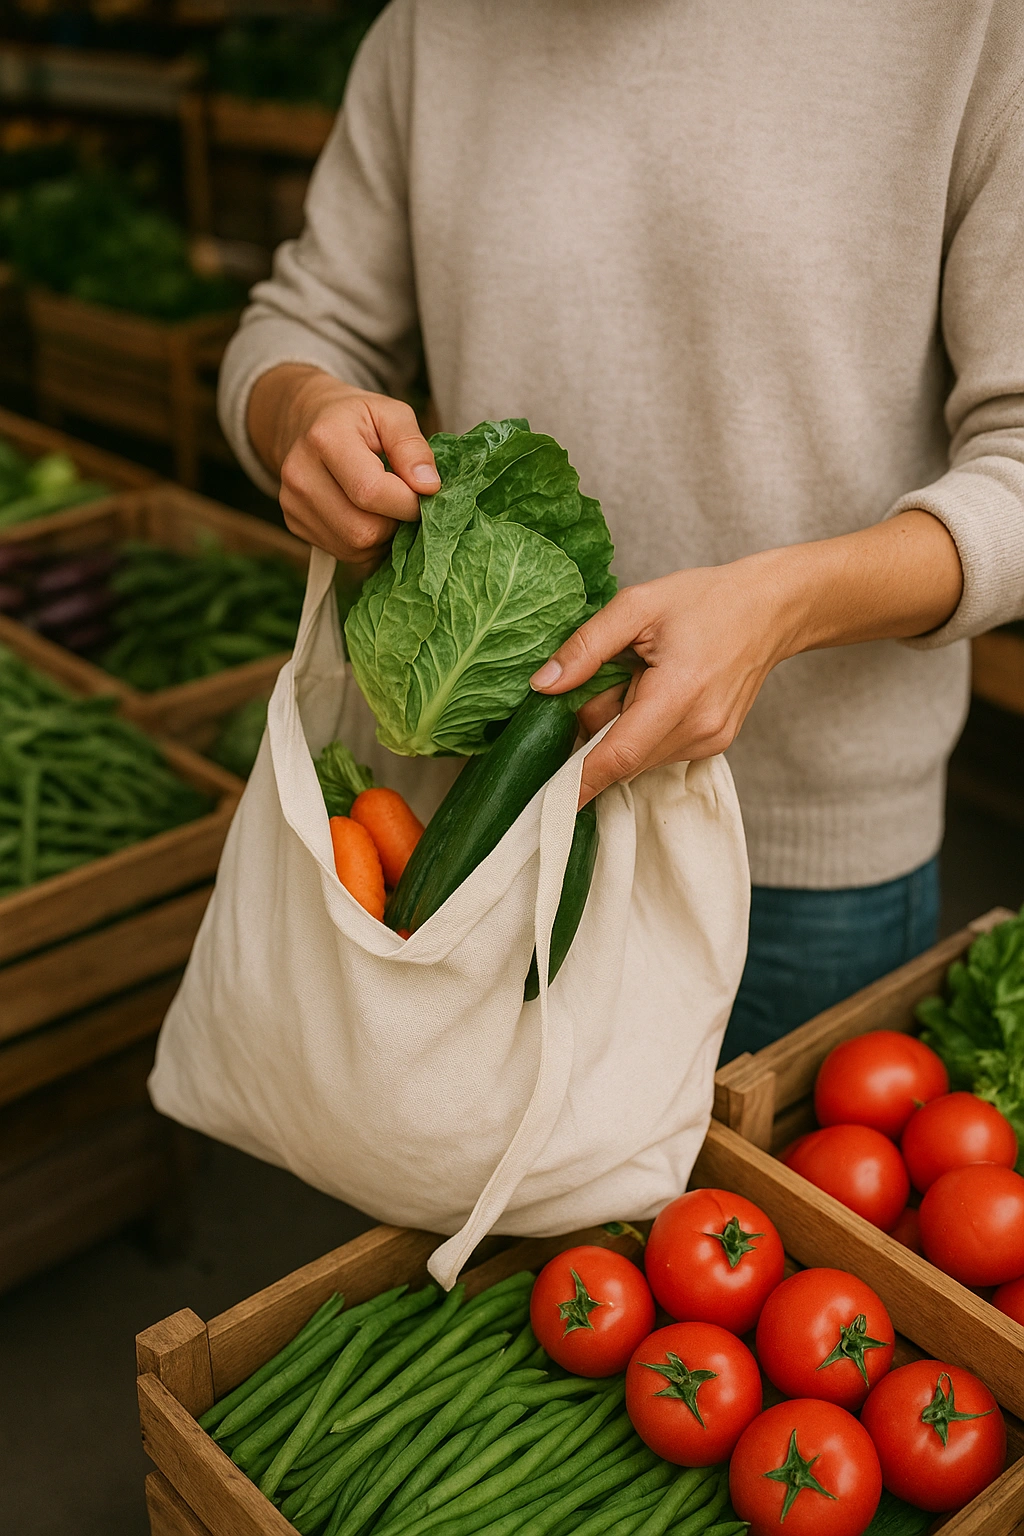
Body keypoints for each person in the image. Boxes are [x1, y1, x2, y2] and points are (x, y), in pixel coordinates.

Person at [219, 1, 1024, 1062]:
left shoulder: (969, 26)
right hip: (465, 818)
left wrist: (777, 610)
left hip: (788, 864)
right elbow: (300, 319)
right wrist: (298, 413)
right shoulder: (434, 24)